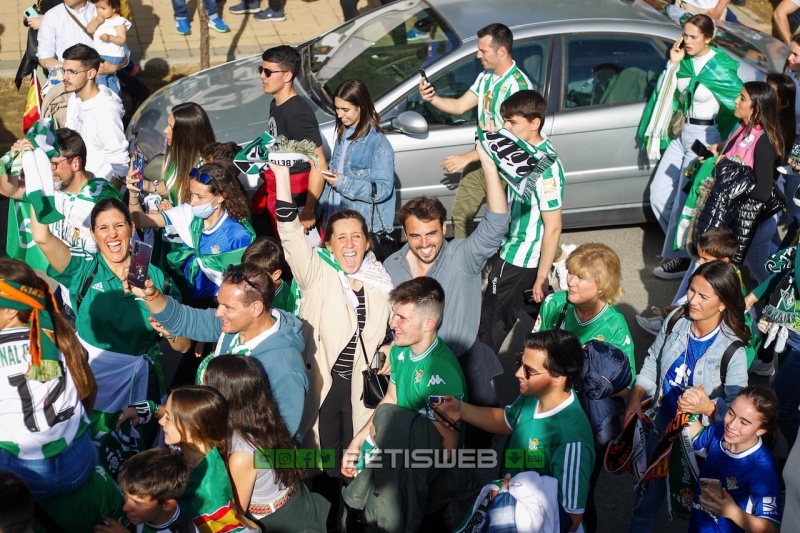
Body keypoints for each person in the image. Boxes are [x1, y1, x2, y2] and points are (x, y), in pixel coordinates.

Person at [272, 161, 392, 523]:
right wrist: (280, 178)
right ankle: (322, 520)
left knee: (355, 462)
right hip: (323, 386)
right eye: (341, 237)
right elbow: (290, 234)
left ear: (368, 242)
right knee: (320, 465)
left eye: (357, 236)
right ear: (329, 243)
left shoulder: (382, 281)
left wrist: (388, 346)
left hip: (362, 389)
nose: (349, 244)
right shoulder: (316, 274)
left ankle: (352, 517)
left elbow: (393, 330)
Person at [625, 260, 750, 533]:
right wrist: (636, 398)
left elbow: (739, 410)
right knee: (645, 502)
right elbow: (652, 360)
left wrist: (710, 407)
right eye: (691, 290)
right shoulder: (676, 320)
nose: (692, 300)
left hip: (702, 445)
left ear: (723, 303)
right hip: (662, 429)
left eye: (703, 296)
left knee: (702, 514)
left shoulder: (733, 351)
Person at [29, 198, 184, 417]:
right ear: (93, 234)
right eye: (103, 228)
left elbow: (183, 346)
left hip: (137, 387)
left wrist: (170, 333)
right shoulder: (84, 271)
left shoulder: (159, 281)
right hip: (87, 381)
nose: (112, 234)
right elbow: (42, 238)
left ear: (131, 228)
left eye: (119, 226)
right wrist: (37, 191)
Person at [435, 329, 595, 533]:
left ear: (559, 378)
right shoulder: (533, 394)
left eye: (529, 370)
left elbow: (571, 518)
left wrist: (505, 506)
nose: (518, 373)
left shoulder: (573, 441)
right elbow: (508, 421)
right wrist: (460, 409)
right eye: (520, 361)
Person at [382, 167, 508, 424]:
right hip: (415, 370)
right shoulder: (392, 265)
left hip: (464, 365)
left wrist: (488, 164)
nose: (425, 244)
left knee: (479, 442)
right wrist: (392, 344)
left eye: (432, 234)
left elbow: (496, 223)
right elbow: (394, 316)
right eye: (415, 236)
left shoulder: (463, 256)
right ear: (405, 234)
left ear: (443, 227)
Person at [127, 262, 307, 440]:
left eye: (228, 307)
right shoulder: (232, 326)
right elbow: (182, 319)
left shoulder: (285, 367)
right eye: (219, 303)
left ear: (256, 308)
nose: (218, 313)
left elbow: (282, 438)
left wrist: (236, 464)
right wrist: (151, 296)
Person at [532, 242, 633, 532]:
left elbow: (627, 386)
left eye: (581, 277)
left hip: (586, 426)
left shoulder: (615, 326)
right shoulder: (554, 304)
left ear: (601, 286)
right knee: (539, 482)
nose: (570, 280)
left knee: (578, 497)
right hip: (548, 415)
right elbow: (533, 355)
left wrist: (596, 380)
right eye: (571, 272)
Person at [638, 13, 742, 281]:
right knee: (659, 194)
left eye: (694, 36)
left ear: (709, 38)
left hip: (705, 136)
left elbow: (740, 106)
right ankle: (684, 246)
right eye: (685, 34)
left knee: (686, 200)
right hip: (683, 133)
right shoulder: (681, 62)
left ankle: (683, 257)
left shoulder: (720, 67)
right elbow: (666, 96)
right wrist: (672, 64)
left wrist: (727, 145)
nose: (686, 41)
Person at [342, 277, 467, 477]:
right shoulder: (399, 351)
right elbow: (391, 399)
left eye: (402, 318)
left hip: (418, 477)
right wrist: (359, 440)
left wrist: (386, 461)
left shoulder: (441, 375)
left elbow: (447, 451)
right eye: (393, 314)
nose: (392, 323)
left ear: (428, 324)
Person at [418, 23, 531, 239]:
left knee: (509, 224)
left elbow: (512, 137)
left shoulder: (518, 87)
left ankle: (557, 258)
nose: (478, 55)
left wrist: (467, 158)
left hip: (505, 167)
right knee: (462, 215)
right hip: (482, 156)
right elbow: (459, 106)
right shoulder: (485, 77)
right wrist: (432, 97)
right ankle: (467, 268)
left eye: (483, 51)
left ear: (502, 51)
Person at [0, 258, 98, 501]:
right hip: (80, 463)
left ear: (11, 310)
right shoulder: (61, 334)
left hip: (25, 475)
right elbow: (89, 391)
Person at [478, 90, 564, 354]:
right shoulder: (520, 149)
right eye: (505, 120)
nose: (506, 127)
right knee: (544, 324)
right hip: (511, 252)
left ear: (534, 123)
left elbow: (554, 226)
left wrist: (541, 276)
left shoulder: (546, 168)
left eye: (512, 122)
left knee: (487, 330)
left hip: (518, 261)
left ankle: (474, 391)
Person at [203, 355, 329, 531]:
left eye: (206, 386)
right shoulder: (264, 418)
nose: (201, 389)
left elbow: (235, 515)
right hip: (297, 502)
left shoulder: (242, 455)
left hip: (278, 522)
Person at [126, 162, 254, 305]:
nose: (193, 202)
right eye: (191, 194)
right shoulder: (187, 215)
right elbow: (140, 221)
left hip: (220, 303)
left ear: (220, 197)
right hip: (188, 295)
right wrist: (133, 194)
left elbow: (246, 282)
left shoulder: (237, 234)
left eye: (200, 197)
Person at [1, 128, 121, 258]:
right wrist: (14, 159)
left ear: (76, 163)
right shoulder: (51, 186)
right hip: (60, 272)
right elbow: (8, 190)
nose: (48, 170)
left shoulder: (102, 199)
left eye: (53, 164)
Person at [706, 81, 785, 281]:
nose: (735, 101)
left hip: (755, 223)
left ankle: (778, 307)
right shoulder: (742, 128)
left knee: (760, 273)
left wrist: (733, 185)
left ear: (756, 108)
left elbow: (763, 192)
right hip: (736, 216)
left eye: (742, 98)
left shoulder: (764, 141)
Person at [158, 386, 257, 532]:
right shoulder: (203, 449)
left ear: (193, 426)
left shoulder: (209, 493)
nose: (161, 422)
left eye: (168, 418)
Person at [254, 45, 328, 237]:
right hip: (280, 192)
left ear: (287, 76)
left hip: (297, 203)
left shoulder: (298, 114)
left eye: (268, 72)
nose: (262, 76)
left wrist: (308, 211)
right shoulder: (276, 103)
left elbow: (319, 164)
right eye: (261, 70)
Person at [686, 386, 782, 533]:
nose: (731, 425)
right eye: (731, 413)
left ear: (761, 430)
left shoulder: (763, 469)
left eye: (744, 422)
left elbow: (772, 529)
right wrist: (687, 406)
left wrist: (733, 512)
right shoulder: (719, 431)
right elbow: (699, 439)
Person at [317, 79, 395, 237]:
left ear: (361, 107)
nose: (339, 114)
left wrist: (342, 182)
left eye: (345, 109)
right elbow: (331, 182)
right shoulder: (344, 133)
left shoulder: (379, 145)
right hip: (335, 222)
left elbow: (383, 190)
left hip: (361, 229)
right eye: (337, 108)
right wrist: (315, 212)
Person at [62, 43, 129, 186]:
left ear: (91, 73)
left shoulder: (105, 113)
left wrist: (104, 198)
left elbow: (121, 168)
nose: (65, 77)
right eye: (64, 71)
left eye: (72, 72)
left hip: (98, 193)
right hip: (78, 186)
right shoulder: (75, 98)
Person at [97, 448, 197, 533]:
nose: (125, 508)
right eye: (125, 494)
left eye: (137, 503)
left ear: (167, 505)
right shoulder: (150, 513)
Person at [241, 236, 295, 313]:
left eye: (256, 275)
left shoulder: (284, 305)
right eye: (244, 270)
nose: (246, 279)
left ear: (276, 275)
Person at [86, 0, 130, 95]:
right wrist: (96, 22)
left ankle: (103, 95)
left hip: (113, 54)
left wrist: (110, 38)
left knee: (99, 75)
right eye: (97, 7)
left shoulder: (118, 21)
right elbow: (89, 29)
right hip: (101, 53)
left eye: (103, 8)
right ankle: (114, 95)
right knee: (109, 77)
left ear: (114, 8)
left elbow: (122, 39)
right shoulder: (97, 17)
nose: (99, 11)